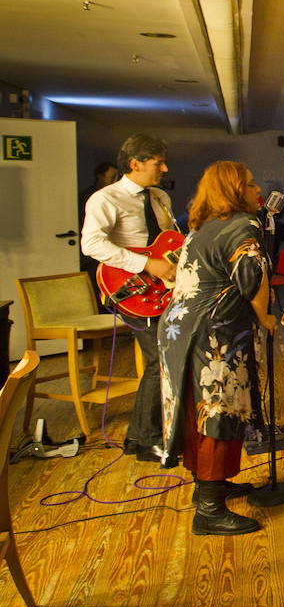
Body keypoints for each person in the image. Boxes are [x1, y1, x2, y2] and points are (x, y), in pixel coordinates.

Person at [156, 161, 274, 536]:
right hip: (212, 337)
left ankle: (211, 486)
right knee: (217, 413)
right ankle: (209, 510)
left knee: (198, 412)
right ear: (235, 190)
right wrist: (267, 319)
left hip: (181, 330)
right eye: (252, 184)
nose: (259, 190)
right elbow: (250, 279)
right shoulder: (243, 225)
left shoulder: (201, 228)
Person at [81, 134, 178, 462]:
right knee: (159, 361)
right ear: (135, 164)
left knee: (164, 360)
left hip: (159, 289)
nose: (164, 168)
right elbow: (92, 245)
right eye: (157, 163)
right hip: (130, 290)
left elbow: (166, 241)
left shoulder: (160, 197)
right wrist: (147, 264)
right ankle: (146, 438)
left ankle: (140, 437)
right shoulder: (105, 199)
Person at [78, 161, 120, 283]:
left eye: (117, 178)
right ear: (100, 176)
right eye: (112, 177)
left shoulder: (116, 196)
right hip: (92, 256)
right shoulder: (91, 197)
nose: (115, 182)